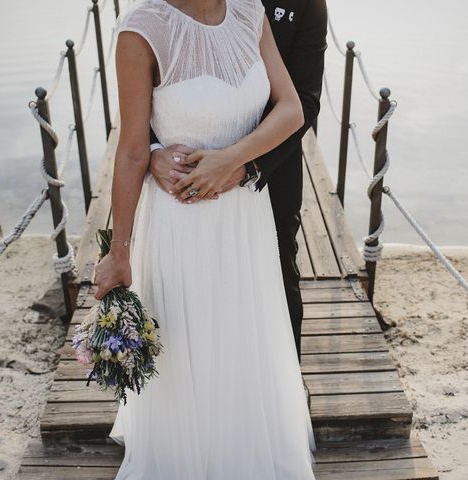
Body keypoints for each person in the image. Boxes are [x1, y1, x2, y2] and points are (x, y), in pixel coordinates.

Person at [93, 0, 317, 477]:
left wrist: (233, 159)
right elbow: (132, 153)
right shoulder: (140, 30)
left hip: (245, 222)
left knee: (242, 341)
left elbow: (293, 107)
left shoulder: (248, 12)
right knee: (189, 350)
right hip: (181, 225)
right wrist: (119, 253)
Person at [148, 0, 327, 364]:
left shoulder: (306, 3)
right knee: (189, 286)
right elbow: (144, 78)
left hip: (270, 169)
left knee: (278, 276)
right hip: (182, 173)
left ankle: (287, 382)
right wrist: (152, 150)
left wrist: (246, 164)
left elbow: (304, 102)